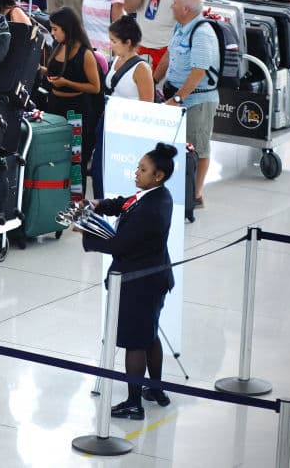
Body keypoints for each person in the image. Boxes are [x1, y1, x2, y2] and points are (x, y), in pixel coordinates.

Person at [81, 142, 178, 420]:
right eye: (138, 167)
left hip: (140, 282)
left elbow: (119, 245)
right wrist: (96, 204)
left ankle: (133, 403)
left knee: (135, 341)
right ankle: (156, 389)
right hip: (154, 278)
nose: (137, 173)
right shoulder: (155, 196)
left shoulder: (151, 209)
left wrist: (86, 234)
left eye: (143, 169)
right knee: (149, 335)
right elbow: (124, 203)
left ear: (157, 175)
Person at [156, 0, 219, 209]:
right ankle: (182, 188)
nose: (171, 6)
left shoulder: (202, 33)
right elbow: (169, 54)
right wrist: (154, 79)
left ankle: (196, 194)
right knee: (178, 146)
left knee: (198, 147)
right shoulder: (180, 27)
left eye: (174, 2)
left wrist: (179, 98)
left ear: (185, 9)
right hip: (177, 96)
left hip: (197, 101)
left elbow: (199, 71)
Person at [37, 7, 101, 193]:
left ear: (67, 28)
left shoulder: (85, 54)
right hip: (55, 105)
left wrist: (67, 82)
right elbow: (56, 71)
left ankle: (75, 199)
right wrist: (42, 71)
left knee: (75, 156)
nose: (53, 33)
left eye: (56, 29)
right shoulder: (59, 46)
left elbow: (94, 87)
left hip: (76, 109)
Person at [91, 16, 156, 199]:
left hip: (128, 128)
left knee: (117, 173)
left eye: (114, 41)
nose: (111, 45)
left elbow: (147, 105)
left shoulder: (141, 69)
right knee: (99, 169)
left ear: (128, 42)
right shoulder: (116, 60)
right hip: (109, 122)